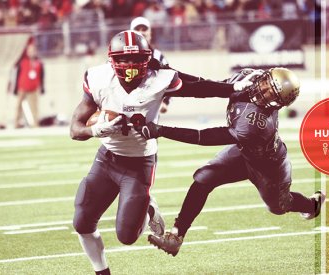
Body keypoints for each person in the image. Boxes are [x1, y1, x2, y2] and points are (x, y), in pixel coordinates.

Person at [70, 30, 258, 275]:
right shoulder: (98, 77)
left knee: (126, 236)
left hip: (139, 164)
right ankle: (101, 272)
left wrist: (232, 88)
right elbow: (75, 129)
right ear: (112, 59)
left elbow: (197, 88)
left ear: (147, 58)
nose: (129, 65)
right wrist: (96, 130)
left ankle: (148, 207)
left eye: (136, 58)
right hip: (106, 159)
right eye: (123, 59)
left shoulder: (158, 78)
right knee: (82, 222)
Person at [136, 68, 326, 257]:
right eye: (267, 84)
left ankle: (312, 206)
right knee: (203, 179)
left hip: (269, 166)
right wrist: (166, 72)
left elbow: (204, 137)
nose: (264, 92)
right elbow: (206, 85)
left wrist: (161, 130)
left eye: (272, 94)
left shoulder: (255, 125)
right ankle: (176, 236)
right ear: (264, 76)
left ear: (279, 104)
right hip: (243, 153)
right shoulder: (247, 77)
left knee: (279, 207)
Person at [130, 16, 171, 113]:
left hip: (150, 106)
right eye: (137, 29)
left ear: (150, 33)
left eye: (144, 29)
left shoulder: (158, 56)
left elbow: (169, 79)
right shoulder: (120, 53)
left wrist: (165, 102)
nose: (141, 32)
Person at [11, 43, 45, 128]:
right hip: (22, 87)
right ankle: (16, 123)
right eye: (29, 51)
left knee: (34, 107)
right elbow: (18, 75)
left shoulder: (39, 63)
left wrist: (42, 88)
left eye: (33, 51)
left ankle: (35, 124)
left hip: (34, 88)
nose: (31, 53)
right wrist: (15, 88)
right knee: (18, 106)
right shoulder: (22, 62)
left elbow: (41, 76)